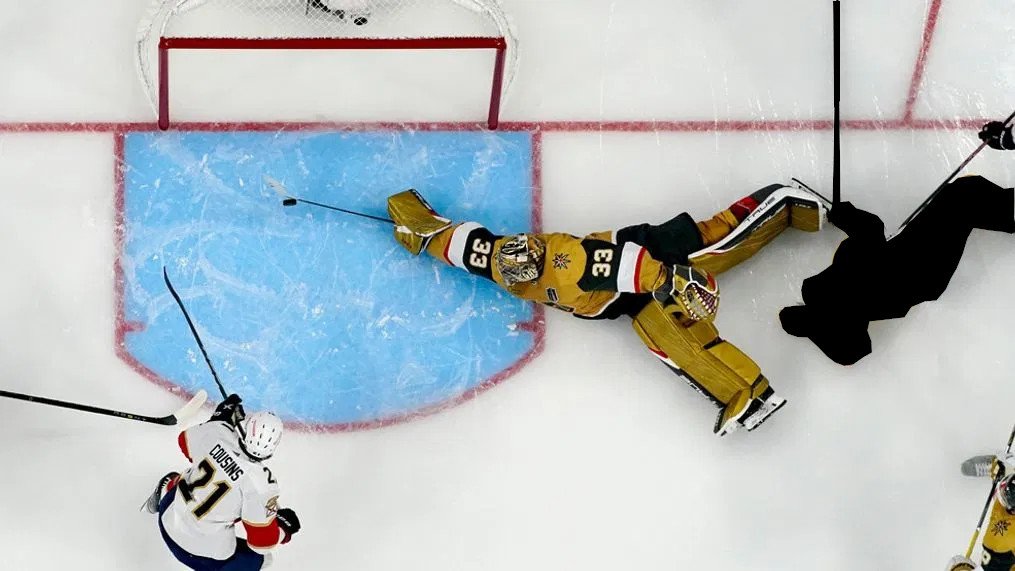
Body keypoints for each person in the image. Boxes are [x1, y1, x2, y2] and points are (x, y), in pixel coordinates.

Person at [388, 181, 827, 435]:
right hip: (627, 298)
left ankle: (783, 202)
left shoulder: (568, 263)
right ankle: (746, 394)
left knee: (720, 242)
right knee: (669, 343)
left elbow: (624, 265)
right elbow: (466, 247)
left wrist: (672, 281)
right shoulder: (504, 265)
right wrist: (424, 233)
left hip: (651, 255)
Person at [780, 120, 1015, 366]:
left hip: (921, 280)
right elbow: (871, 229)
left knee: (964, 200)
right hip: (919, 261)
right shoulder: (842, 280)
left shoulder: (846, 320)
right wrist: (845, 215)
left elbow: (851, 350)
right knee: (964, 196)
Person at [143, 394, 300, 570]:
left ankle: (165, 489)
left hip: (167, 517)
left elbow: (184, 443)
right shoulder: (261, 485)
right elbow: (262, 543)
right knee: (264, 559)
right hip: (199, 557)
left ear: (247, 427)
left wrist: (218, 421)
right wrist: (283, 529)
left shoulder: (217, 432)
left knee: (191, 476)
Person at [947, 453, 1015, 571]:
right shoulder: (1005, 501)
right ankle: (998, 470)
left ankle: (1000, 470)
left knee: (955, 563)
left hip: (997, 558)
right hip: (994, 548)